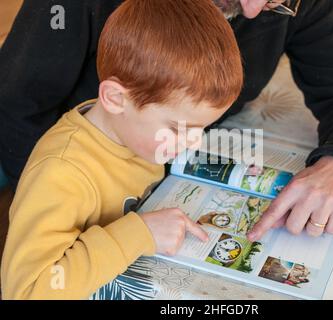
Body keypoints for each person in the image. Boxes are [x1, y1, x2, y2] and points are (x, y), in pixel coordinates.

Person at [0, 0, 333, 239]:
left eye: (275, 1)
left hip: (151, 175)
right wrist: (67, 211)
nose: (254, 11)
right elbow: (16, 105)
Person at [0, 0, 243, 299]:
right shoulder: (61, 173)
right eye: (180, 129)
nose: (192, 142)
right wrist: (139, 234)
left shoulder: (131, 134)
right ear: (115, 98)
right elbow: (28, 292)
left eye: (200, 129)